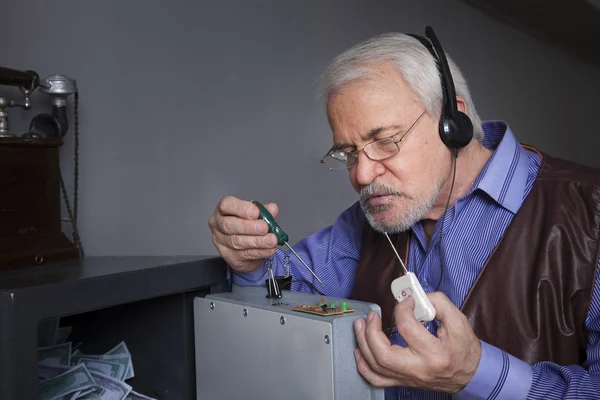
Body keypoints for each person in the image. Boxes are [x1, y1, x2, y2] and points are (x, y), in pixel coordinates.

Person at [207, 26, 600, 399]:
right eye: (348, 152)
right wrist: (249, 264)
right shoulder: (363, 225)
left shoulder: (591, 215)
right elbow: (286, 299)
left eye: (385, 141)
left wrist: (475, 374)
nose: (361, 175)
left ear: (453, 123)